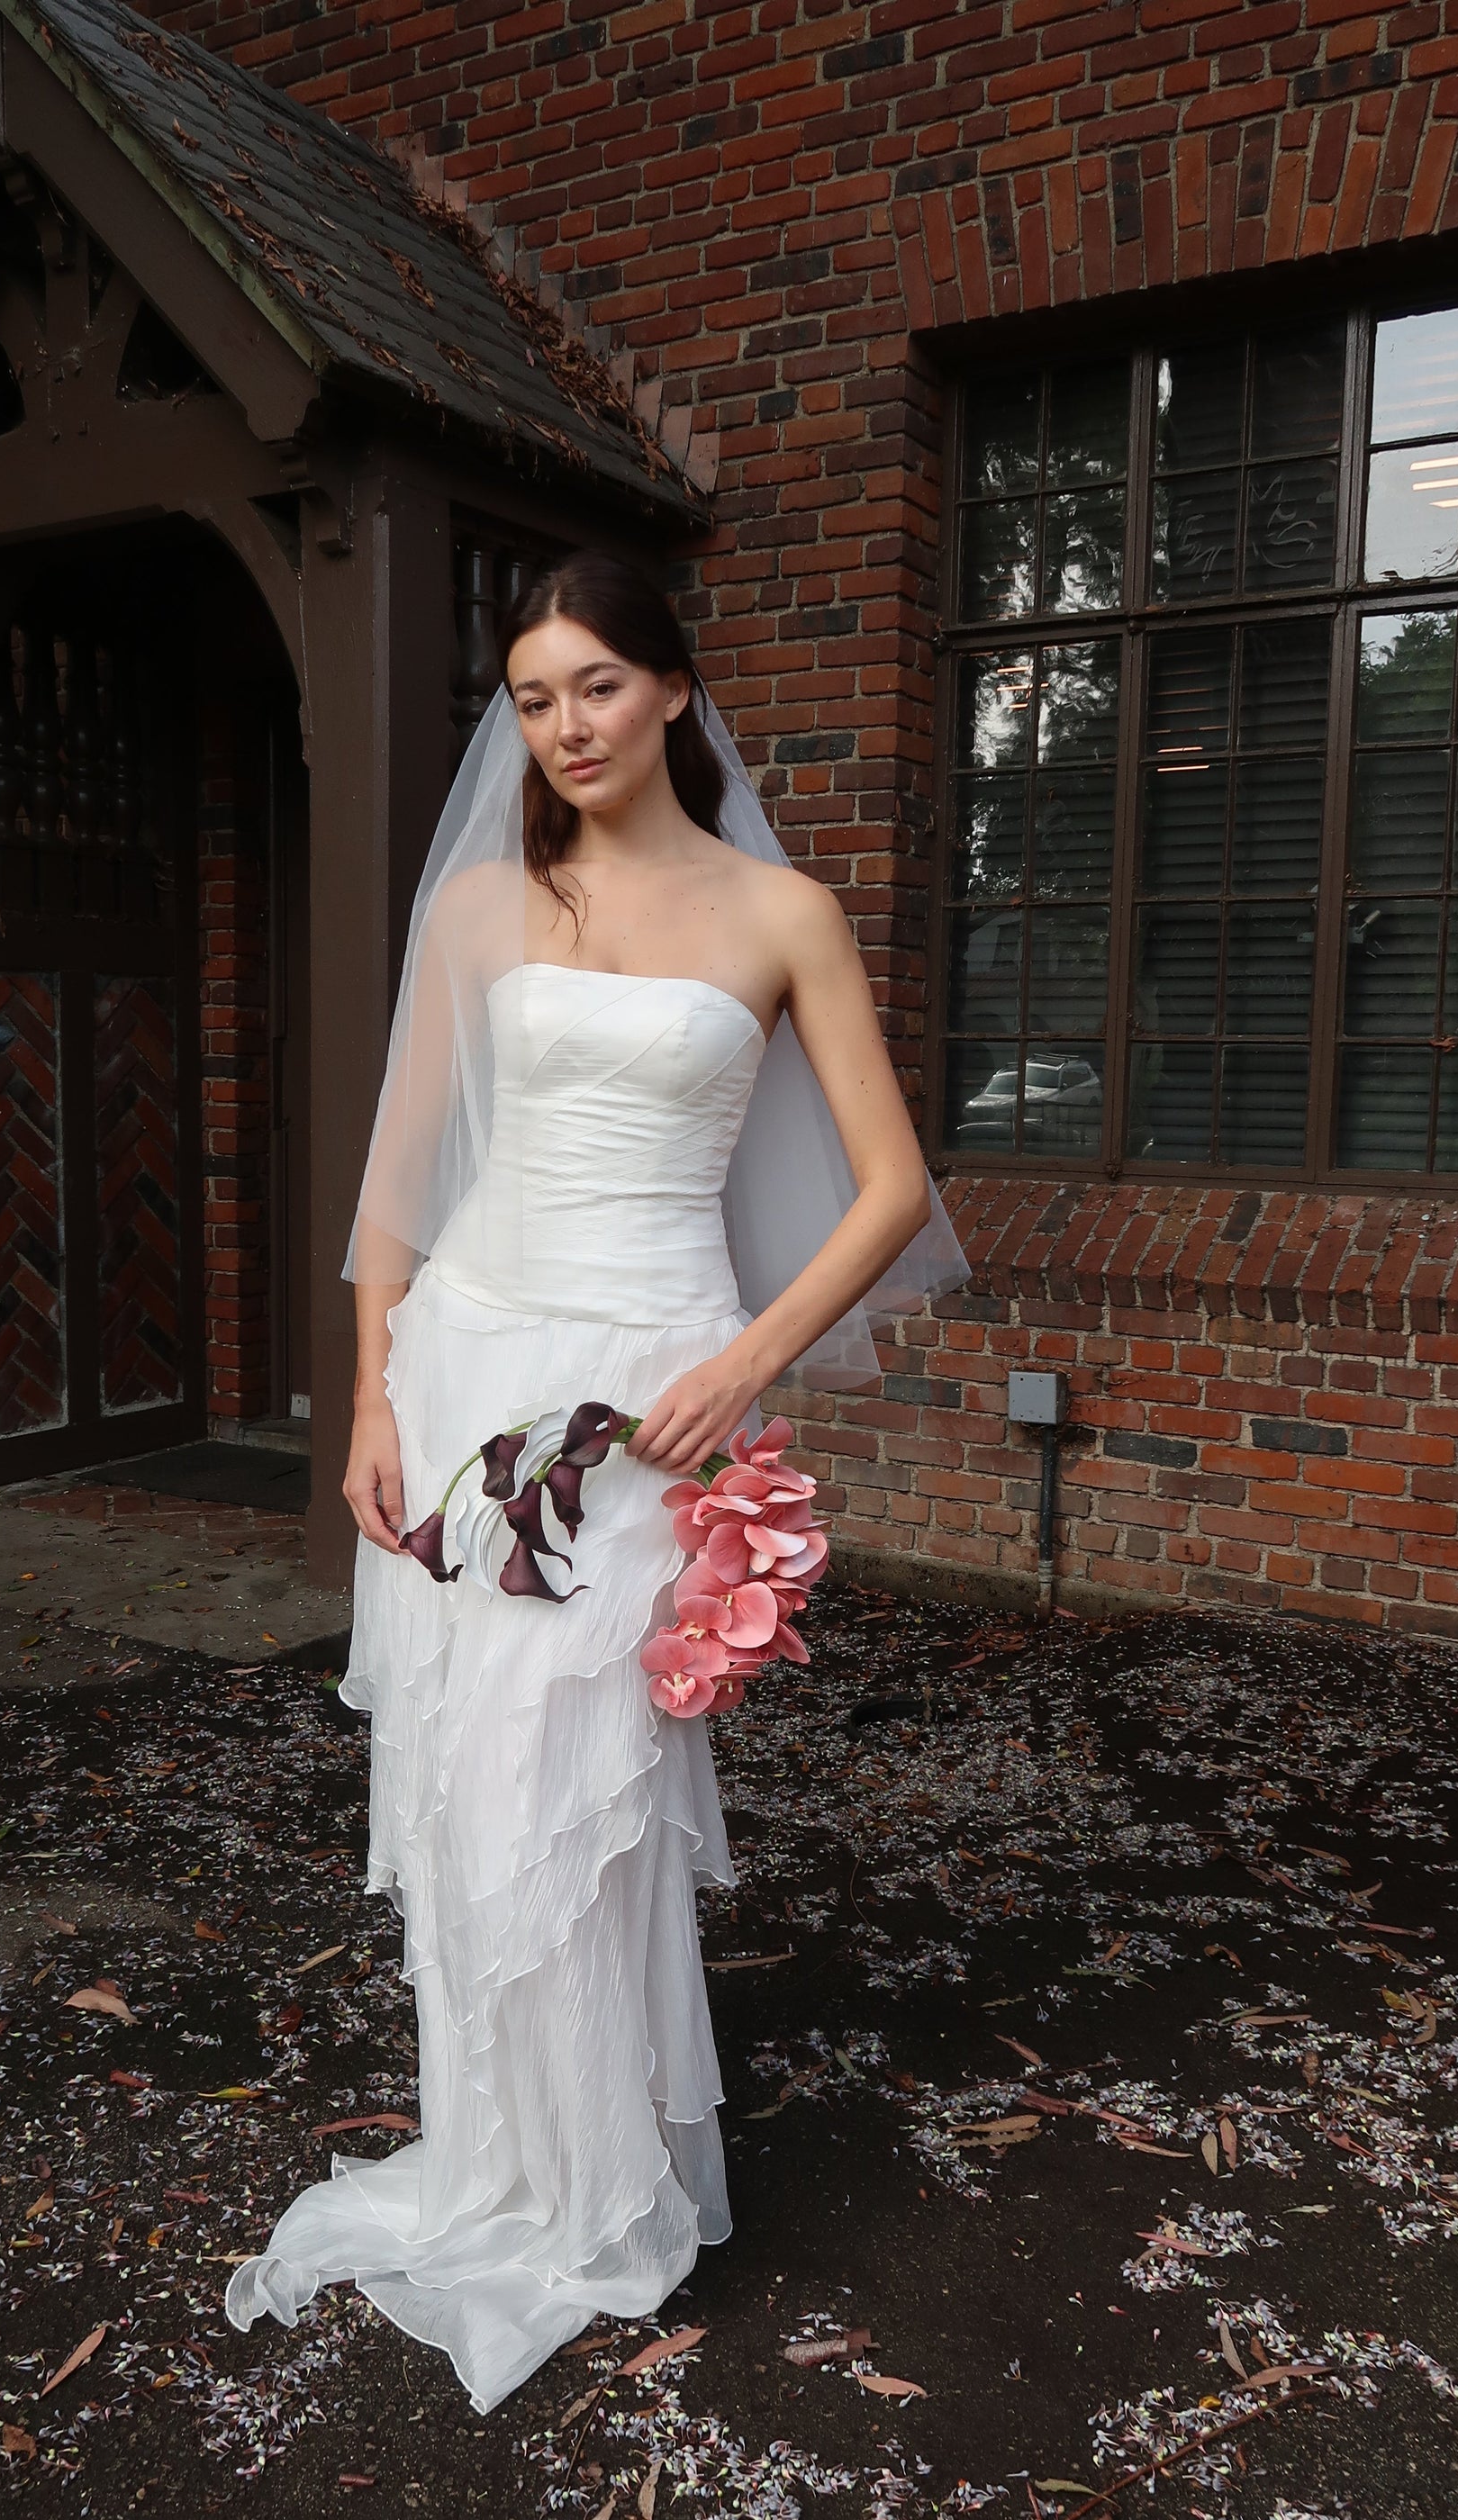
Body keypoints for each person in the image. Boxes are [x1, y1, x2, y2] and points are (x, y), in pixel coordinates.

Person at [224, 553, 967, 2412]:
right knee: (474, 1766)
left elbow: (888, 1188)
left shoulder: (782, 913)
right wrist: (371, 1394)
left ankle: (603, 2168)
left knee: (593, 1771)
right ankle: (504, 2161)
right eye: (535, 696)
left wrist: (743, 1360)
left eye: (598, 687)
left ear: (676, 691)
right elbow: (398, 1172)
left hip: (652, 1388)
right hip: (470, 1364)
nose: (563, 726)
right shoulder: (478, 906)